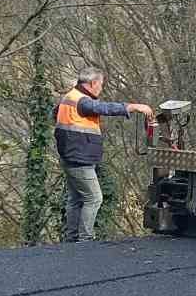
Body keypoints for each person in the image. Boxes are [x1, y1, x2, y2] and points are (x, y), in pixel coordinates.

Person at [54, 67, 153, 243]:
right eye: (100, 85)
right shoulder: (82, 101)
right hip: (79, 159)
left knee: (76, 198)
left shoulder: (69, 97)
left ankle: (71, 239)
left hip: (69, 156)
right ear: (92, 83)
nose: (101, 88)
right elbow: (103, 107)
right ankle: (85, 239)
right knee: (94, 198)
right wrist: (133, 107)